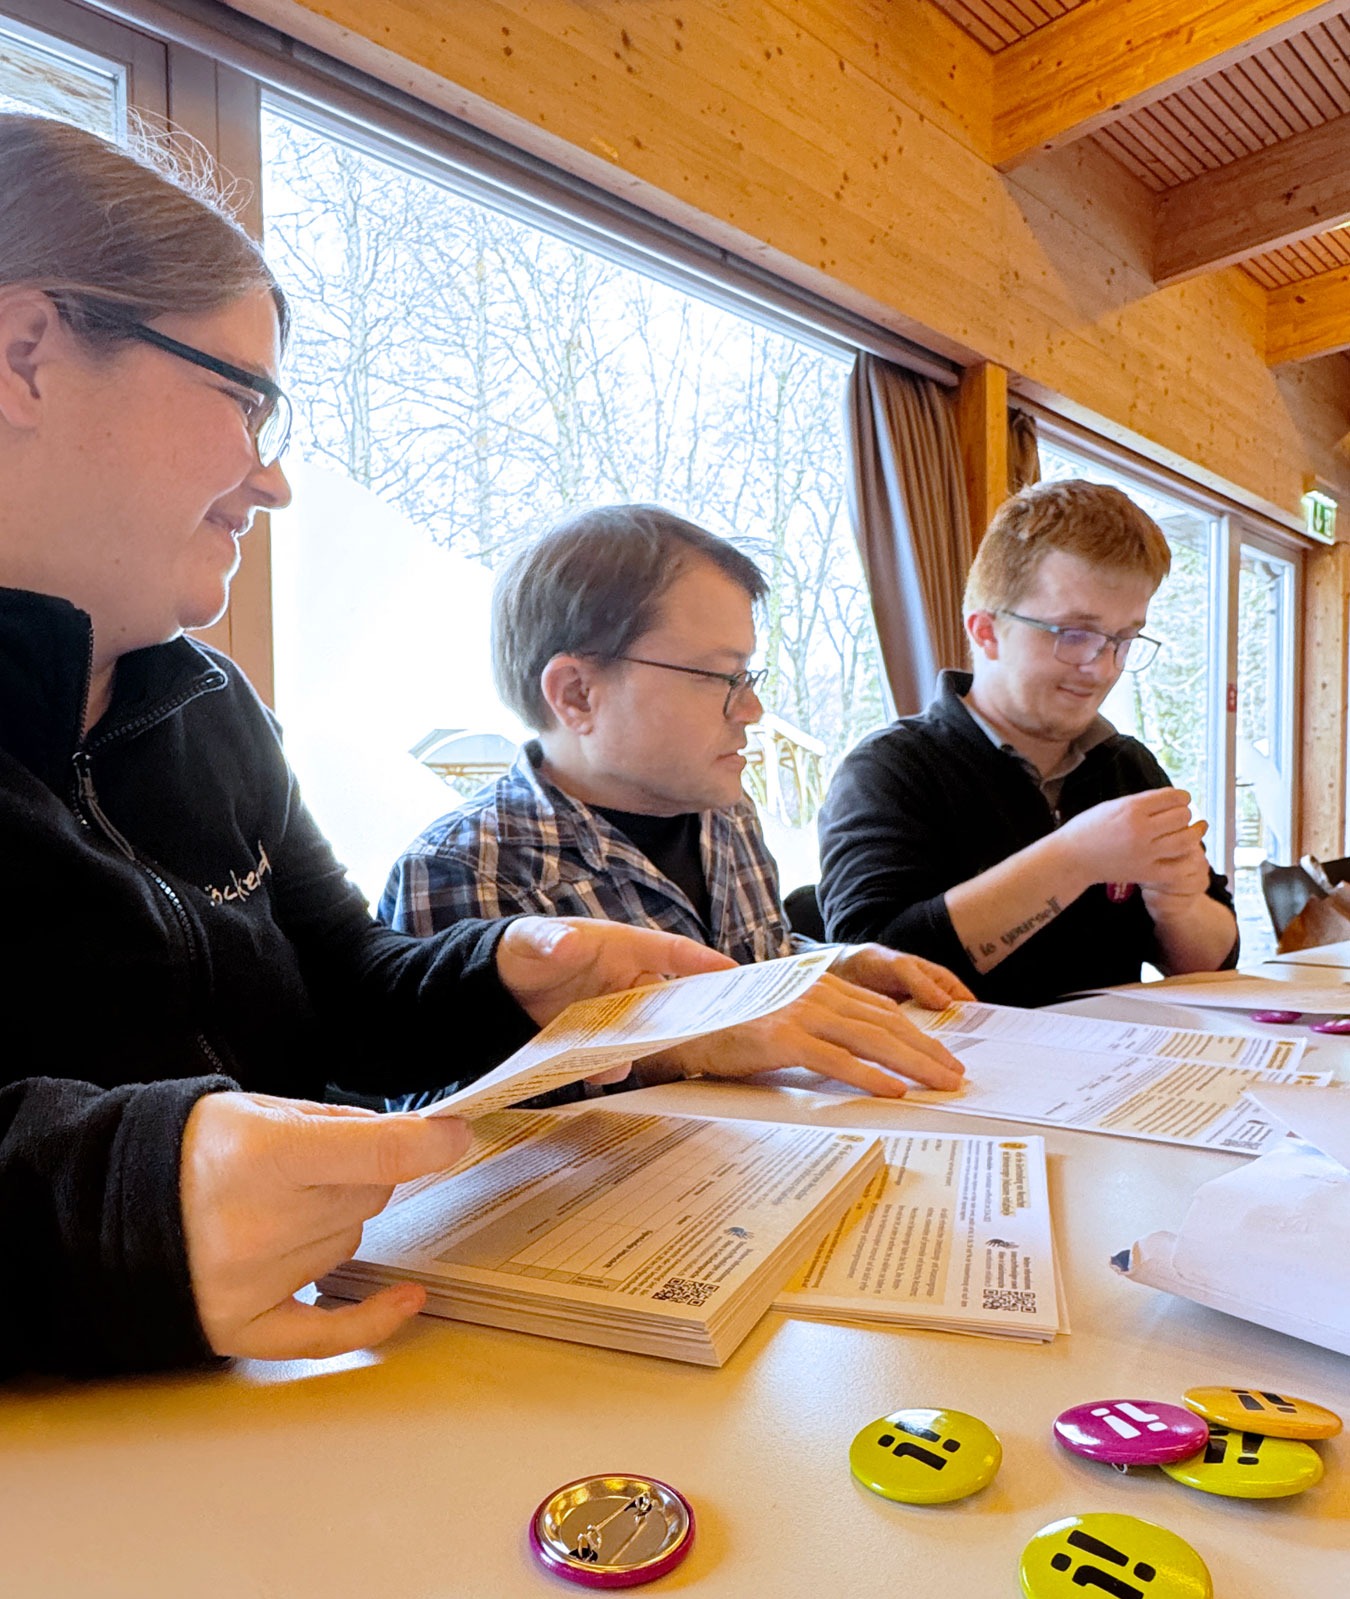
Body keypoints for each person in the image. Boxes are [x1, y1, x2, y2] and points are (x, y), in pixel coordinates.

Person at [0, 116, 733, 1381]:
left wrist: (516, 975)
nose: (273, 481)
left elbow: (346, 994)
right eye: (246, 399)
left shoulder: (206, 705)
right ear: (25, 356)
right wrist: (123, 1205)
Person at [381, 505, 972, 1096]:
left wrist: (829, 965)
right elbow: (450, 1108)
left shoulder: (725, 813)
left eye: (748, 677)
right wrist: (676, 1045)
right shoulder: (471, 864)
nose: (752, 710)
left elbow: (749, 965)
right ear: (577, 694)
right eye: (718, 678)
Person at [817, 479, 1238, 1006]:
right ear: (986, 631)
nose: (1102, 668)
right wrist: (1075, 858)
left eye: (1123, 639)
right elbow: (865, 966)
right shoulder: (889, 769)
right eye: (1074, 634)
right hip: (949, 1058)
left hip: (1117, 1053)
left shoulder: (1126, 766)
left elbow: (1214, 964)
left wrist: (1181, 906)